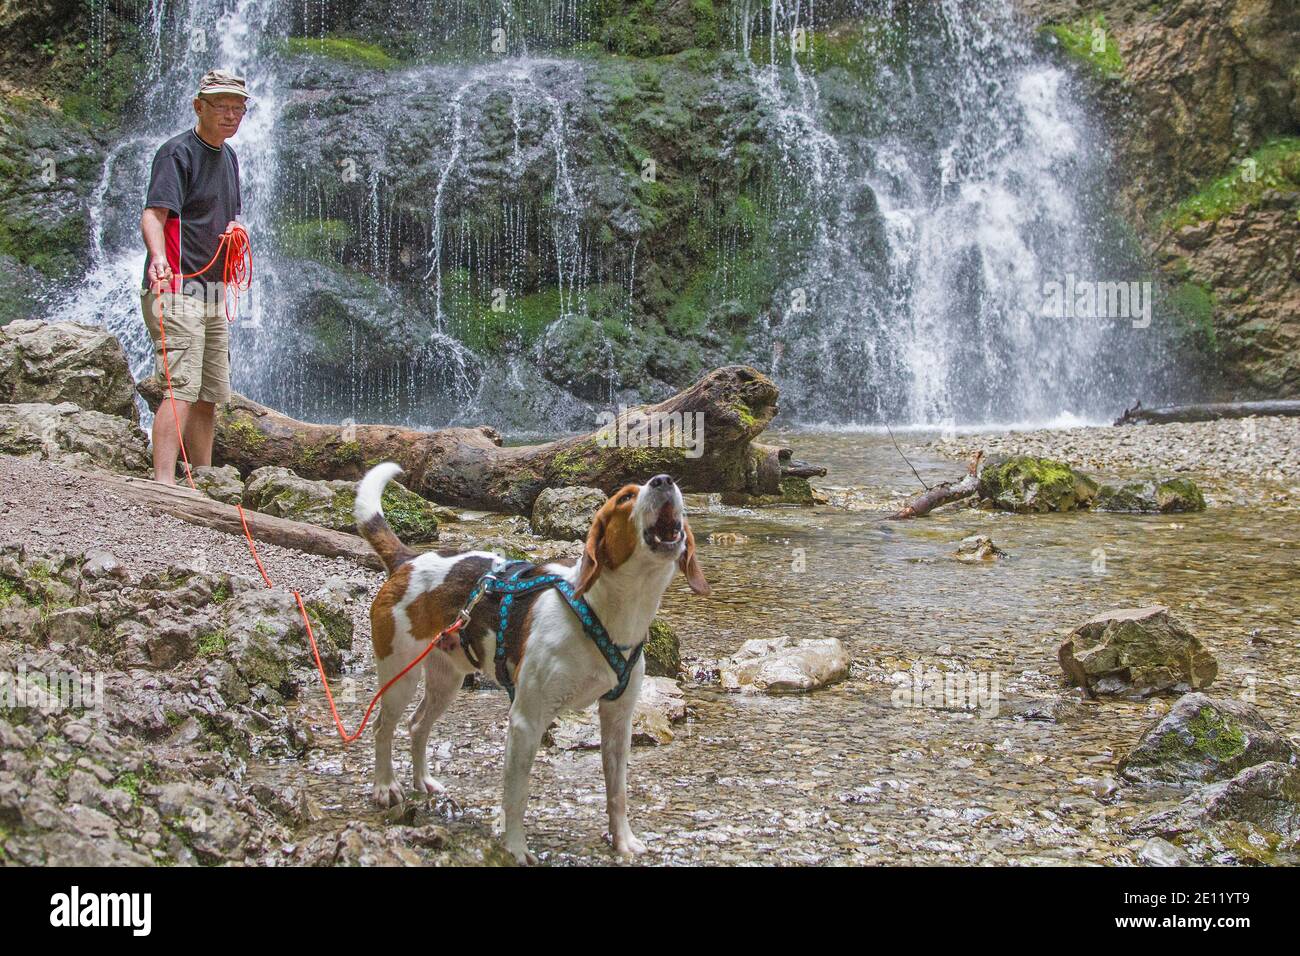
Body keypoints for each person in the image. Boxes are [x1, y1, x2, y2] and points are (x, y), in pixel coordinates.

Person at [139, 69, 248, 484]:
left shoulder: (230, 157)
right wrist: (157, 257)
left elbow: (227, 218)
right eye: (222, 106)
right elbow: (154, 213)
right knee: (180, 386)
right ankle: (165, 482)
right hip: (176, 286)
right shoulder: (176, 153)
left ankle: (203, 479)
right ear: (198, 106)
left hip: (213, 292)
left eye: (238, 107)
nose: (231, 114)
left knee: (208, 395)